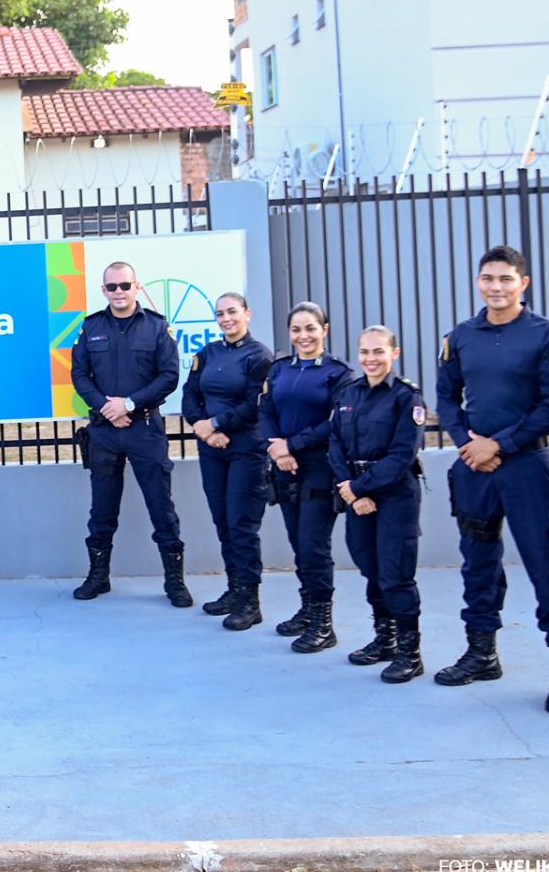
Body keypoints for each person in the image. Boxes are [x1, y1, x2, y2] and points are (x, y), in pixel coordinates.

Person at [435, 244, 549, 712]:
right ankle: (482, 654)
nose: (495, 287)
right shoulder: (461, 336)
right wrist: (467, 443)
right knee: (477, 562)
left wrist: (497, 445)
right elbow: (445, 398)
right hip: (475, 468)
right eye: (487, 279)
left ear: (523, 283)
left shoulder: (547, 337)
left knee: (546, 564)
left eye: (504, 279)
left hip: (526, 469)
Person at [69, 261, 190, 608]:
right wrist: (108, 408)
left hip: (145, 429)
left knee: (161, 507)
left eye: (125, 285)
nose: (118, 292)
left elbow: (169, 376)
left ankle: (174, 581)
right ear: (103, 290)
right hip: (105, 432)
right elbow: (80, 375)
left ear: (137, 287)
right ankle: (98, 576)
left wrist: (130, 405)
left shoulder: (155, 327)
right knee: (102, 510)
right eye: (112, 287)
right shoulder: (91, 327)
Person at [330, 327, 428, 683]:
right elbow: (336, 444)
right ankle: (384, 639)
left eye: (378, 352)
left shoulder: (407, 397)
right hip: (358, 493)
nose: (371, 358)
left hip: (394, 494)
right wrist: (352, 490)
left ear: (394, 353)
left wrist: (358, 488)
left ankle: (409, 652)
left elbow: (403, 454)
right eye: (364, 352)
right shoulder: (349, 393)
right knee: (368, 564)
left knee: (395, 572)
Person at [257, 301, 354, 651]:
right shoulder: (279, 370)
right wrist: (276, 448)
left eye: (311, 328)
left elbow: (336, 423)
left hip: (318, 468)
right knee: (299, 544)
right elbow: (265, 410)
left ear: (324, 330)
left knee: (314, 546)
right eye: (296, 329)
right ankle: (308, 610)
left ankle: (324, 625)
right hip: (284, 468)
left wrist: (291, 445)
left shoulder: (339, 374)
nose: (303, 336)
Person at [182, 292, 274, 629]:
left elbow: (255, 405)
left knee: (242, 525)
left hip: (245, 451)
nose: (226, 319)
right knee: (222, 522)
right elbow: (189, 394)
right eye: (220, 313)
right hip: (212, 451)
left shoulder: (259, 356)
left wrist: (218, 425)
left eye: (232, 312)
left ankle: (251, 601)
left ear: (247, 314)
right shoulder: (208, 353)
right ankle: (234, 591)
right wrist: (203, 429)